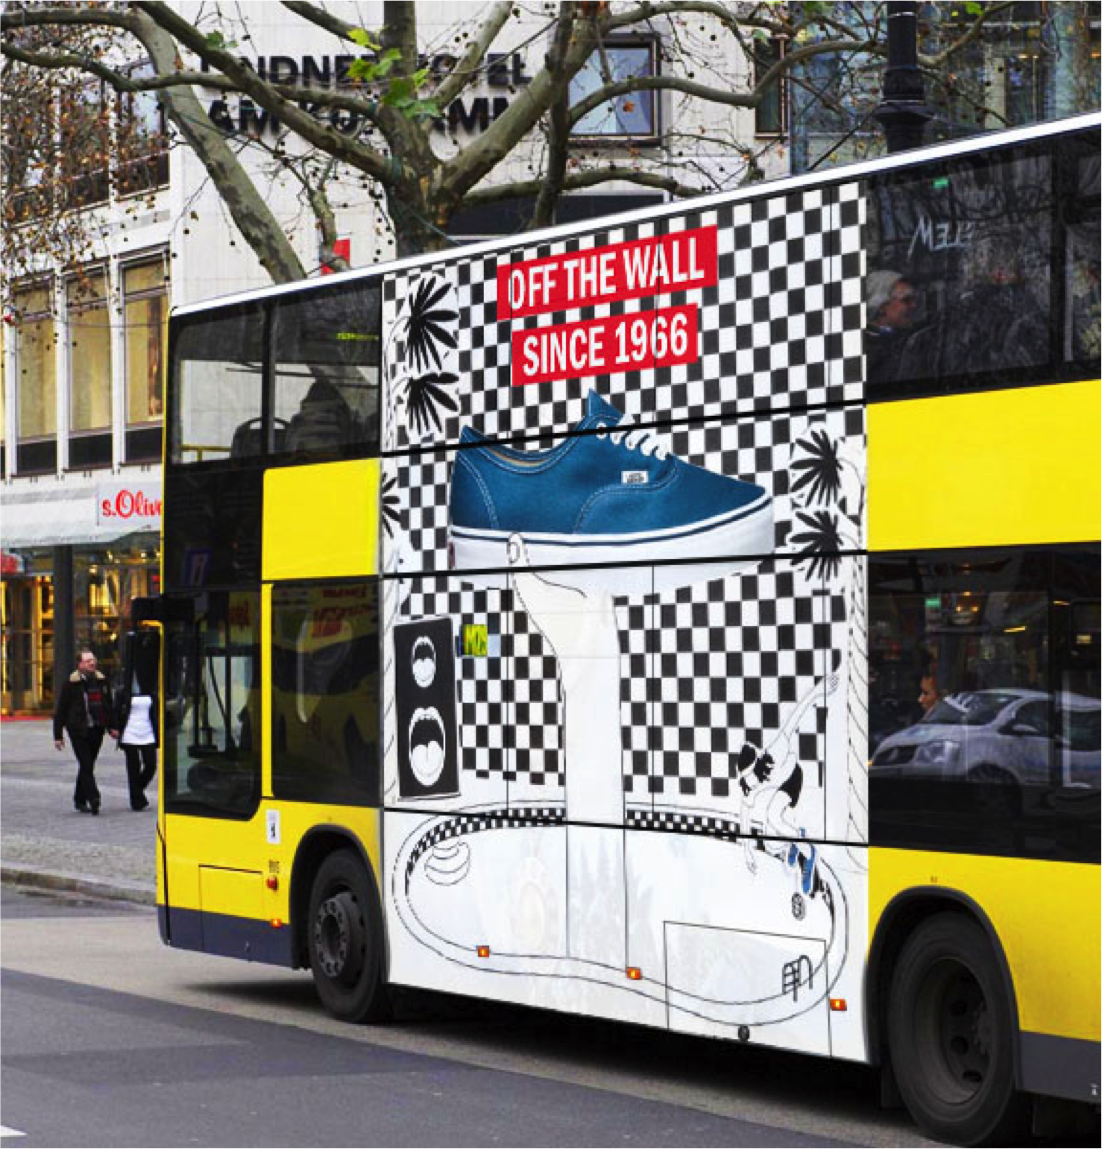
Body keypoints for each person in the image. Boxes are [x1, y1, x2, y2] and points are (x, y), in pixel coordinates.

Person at [53, 650, 116, 815]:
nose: (92, 663)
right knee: (86, 764)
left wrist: (112, 727)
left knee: (87, 765)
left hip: (96, 729)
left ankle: (79, 799)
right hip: (78, 730)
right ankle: (94, 797)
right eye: (88, 661)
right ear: (80, 664)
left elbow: (108, 706)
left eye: (93, 660)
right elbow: (61, 710)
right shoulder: (71, 684)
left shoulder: (102, 681)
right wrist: (58, 735)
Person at [114, 663, 159, 811]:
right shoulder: (123, 692)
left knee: (151, 765)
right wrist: (115, 728)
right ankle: (136, 800)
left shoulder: (151, 690)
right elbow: (116, 711)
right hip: (130, 732)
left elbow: (156, 712)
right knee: (133, 767)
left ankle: (136, 790)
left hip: (148, 732)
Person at [865, 270, 920, 384]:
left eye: (913, 299)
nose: (913, 305)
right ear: (881, 306)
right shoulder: (864, 350)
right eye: (906, 300)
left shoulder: (910, 338)